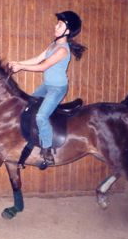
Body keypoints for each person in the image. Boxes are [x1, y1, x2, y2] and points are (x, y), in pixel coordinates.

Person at [9, 11, 87, 167]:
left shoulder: (63, 50)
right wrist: (18, 62)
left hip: (57, 89)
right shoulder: (53, 45)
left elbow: (43, 66)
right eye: (57, 23)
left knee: (41, 117)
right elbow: (38, 59)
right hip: (47, 86)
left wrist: (21, 67)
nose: (55, 26)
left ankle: (47, 149)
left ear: (67, 31)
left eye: (59, 24)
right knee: (27, 106)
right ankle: (30, 138)